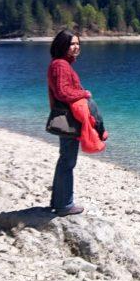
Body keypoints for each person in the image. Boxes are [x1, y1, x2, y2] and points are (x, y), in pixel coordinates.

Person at [46, 29, 101, 216]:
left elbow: (62, 90)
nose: (76, 47)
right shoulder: (61, 65)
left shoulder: (61, 64)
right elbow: (63, 92)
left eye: (78, 43)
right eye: (72, 43)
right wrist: (84, 94)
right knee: (67, 161)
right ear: (63, 45)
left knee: (65, 160)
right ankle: (64, 205)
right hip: (68, 119)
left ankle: (58, 201)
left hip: (68, 117)